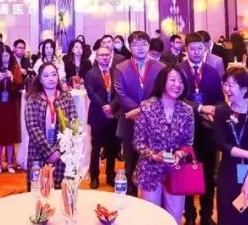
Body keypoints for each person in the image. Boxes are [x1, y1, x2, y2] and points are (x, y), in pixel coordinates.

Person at [132, 64, 195, 222]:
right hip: (150, 169)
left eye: (181, 81)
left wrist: (180, 153)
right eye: (173, 80)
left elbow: (188, 141)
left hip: (177, 169)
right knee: (151, 218)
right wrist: (154, 156)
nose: (177, 84)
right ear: (163, 81)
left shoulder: (187, 110)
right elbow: (139, 142)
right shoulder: (147, 107)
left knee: (174, 218)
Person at [213, 67, 248, 225]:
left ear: (245, 89)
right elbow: (221, 143)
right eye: (225, 84)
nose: (226, 89)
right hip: (229, 172)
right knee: (229, 215)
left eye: (231, 85)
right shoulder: (221, 112)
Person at [180, 32, 223, 225]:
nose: (197, 52)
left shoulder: (212, 71)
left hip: (207, 130)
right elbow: (177, 98)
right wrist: (199, 108)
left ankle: (206, 215)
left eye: (200, 48)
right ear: (186, 49)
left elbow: (219, 98)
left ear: (205, 49)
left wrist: (214, 110)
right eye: (193, 49)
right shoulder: (178, 70)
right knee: (187, 173)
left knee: (208, 174)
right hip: (185, 131)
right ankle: (189, 215)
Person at [114, 30, 161, 196]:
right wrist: (136, 110)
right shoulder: (120, 67)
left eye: (143, 44)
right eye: (135, 44)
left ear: (149, 46)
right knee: (130, 164)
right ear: (129, 47)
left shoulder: (160, 67)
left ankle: (151, 201)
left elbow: (161, 93)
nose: (140, 48)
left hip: (153, 123)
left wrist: (142, 110)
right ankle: (130, 199)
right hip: (129, 122)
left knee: (152, 163)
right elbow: (120, 94)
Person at [23, 62, 79, 188]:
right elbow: (32, 127)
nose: (51, 78)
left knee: (60, 190)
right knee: (39, 189)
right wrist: (49, 152)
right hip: (38, 151)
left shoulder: (66, 97)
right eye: (46, 75)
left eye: (54, 74)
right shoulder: (33, 99)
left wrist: (58, 151)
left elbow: (73, 125)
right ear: (40, 79)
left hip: (62, 154)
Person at [83, 46, 118, 189]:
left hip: (114, 115)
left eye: (107, 55)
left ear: (110, 56)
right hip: (98, 115)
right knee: (96, 148)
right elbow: (92, 93)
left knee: (112, 148)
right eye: (101, 55)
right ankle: (94, 177)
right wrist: (105, 106)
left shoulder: (116, 72)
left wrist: (112, 106)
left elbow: (119, 92)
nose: (104, 57)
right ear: (97, 57)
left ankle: (110, 174)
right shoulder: (91, 73)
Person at [0, 48, 23, 174]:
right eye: (2, 56)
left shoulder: (15, 67)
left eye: (7, 55)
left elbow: (20, 86)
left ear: (10, 56)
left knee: (10, 133)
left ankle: (10, 163)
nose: (5, 58)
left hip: (11, 104)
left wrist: (12, 78)